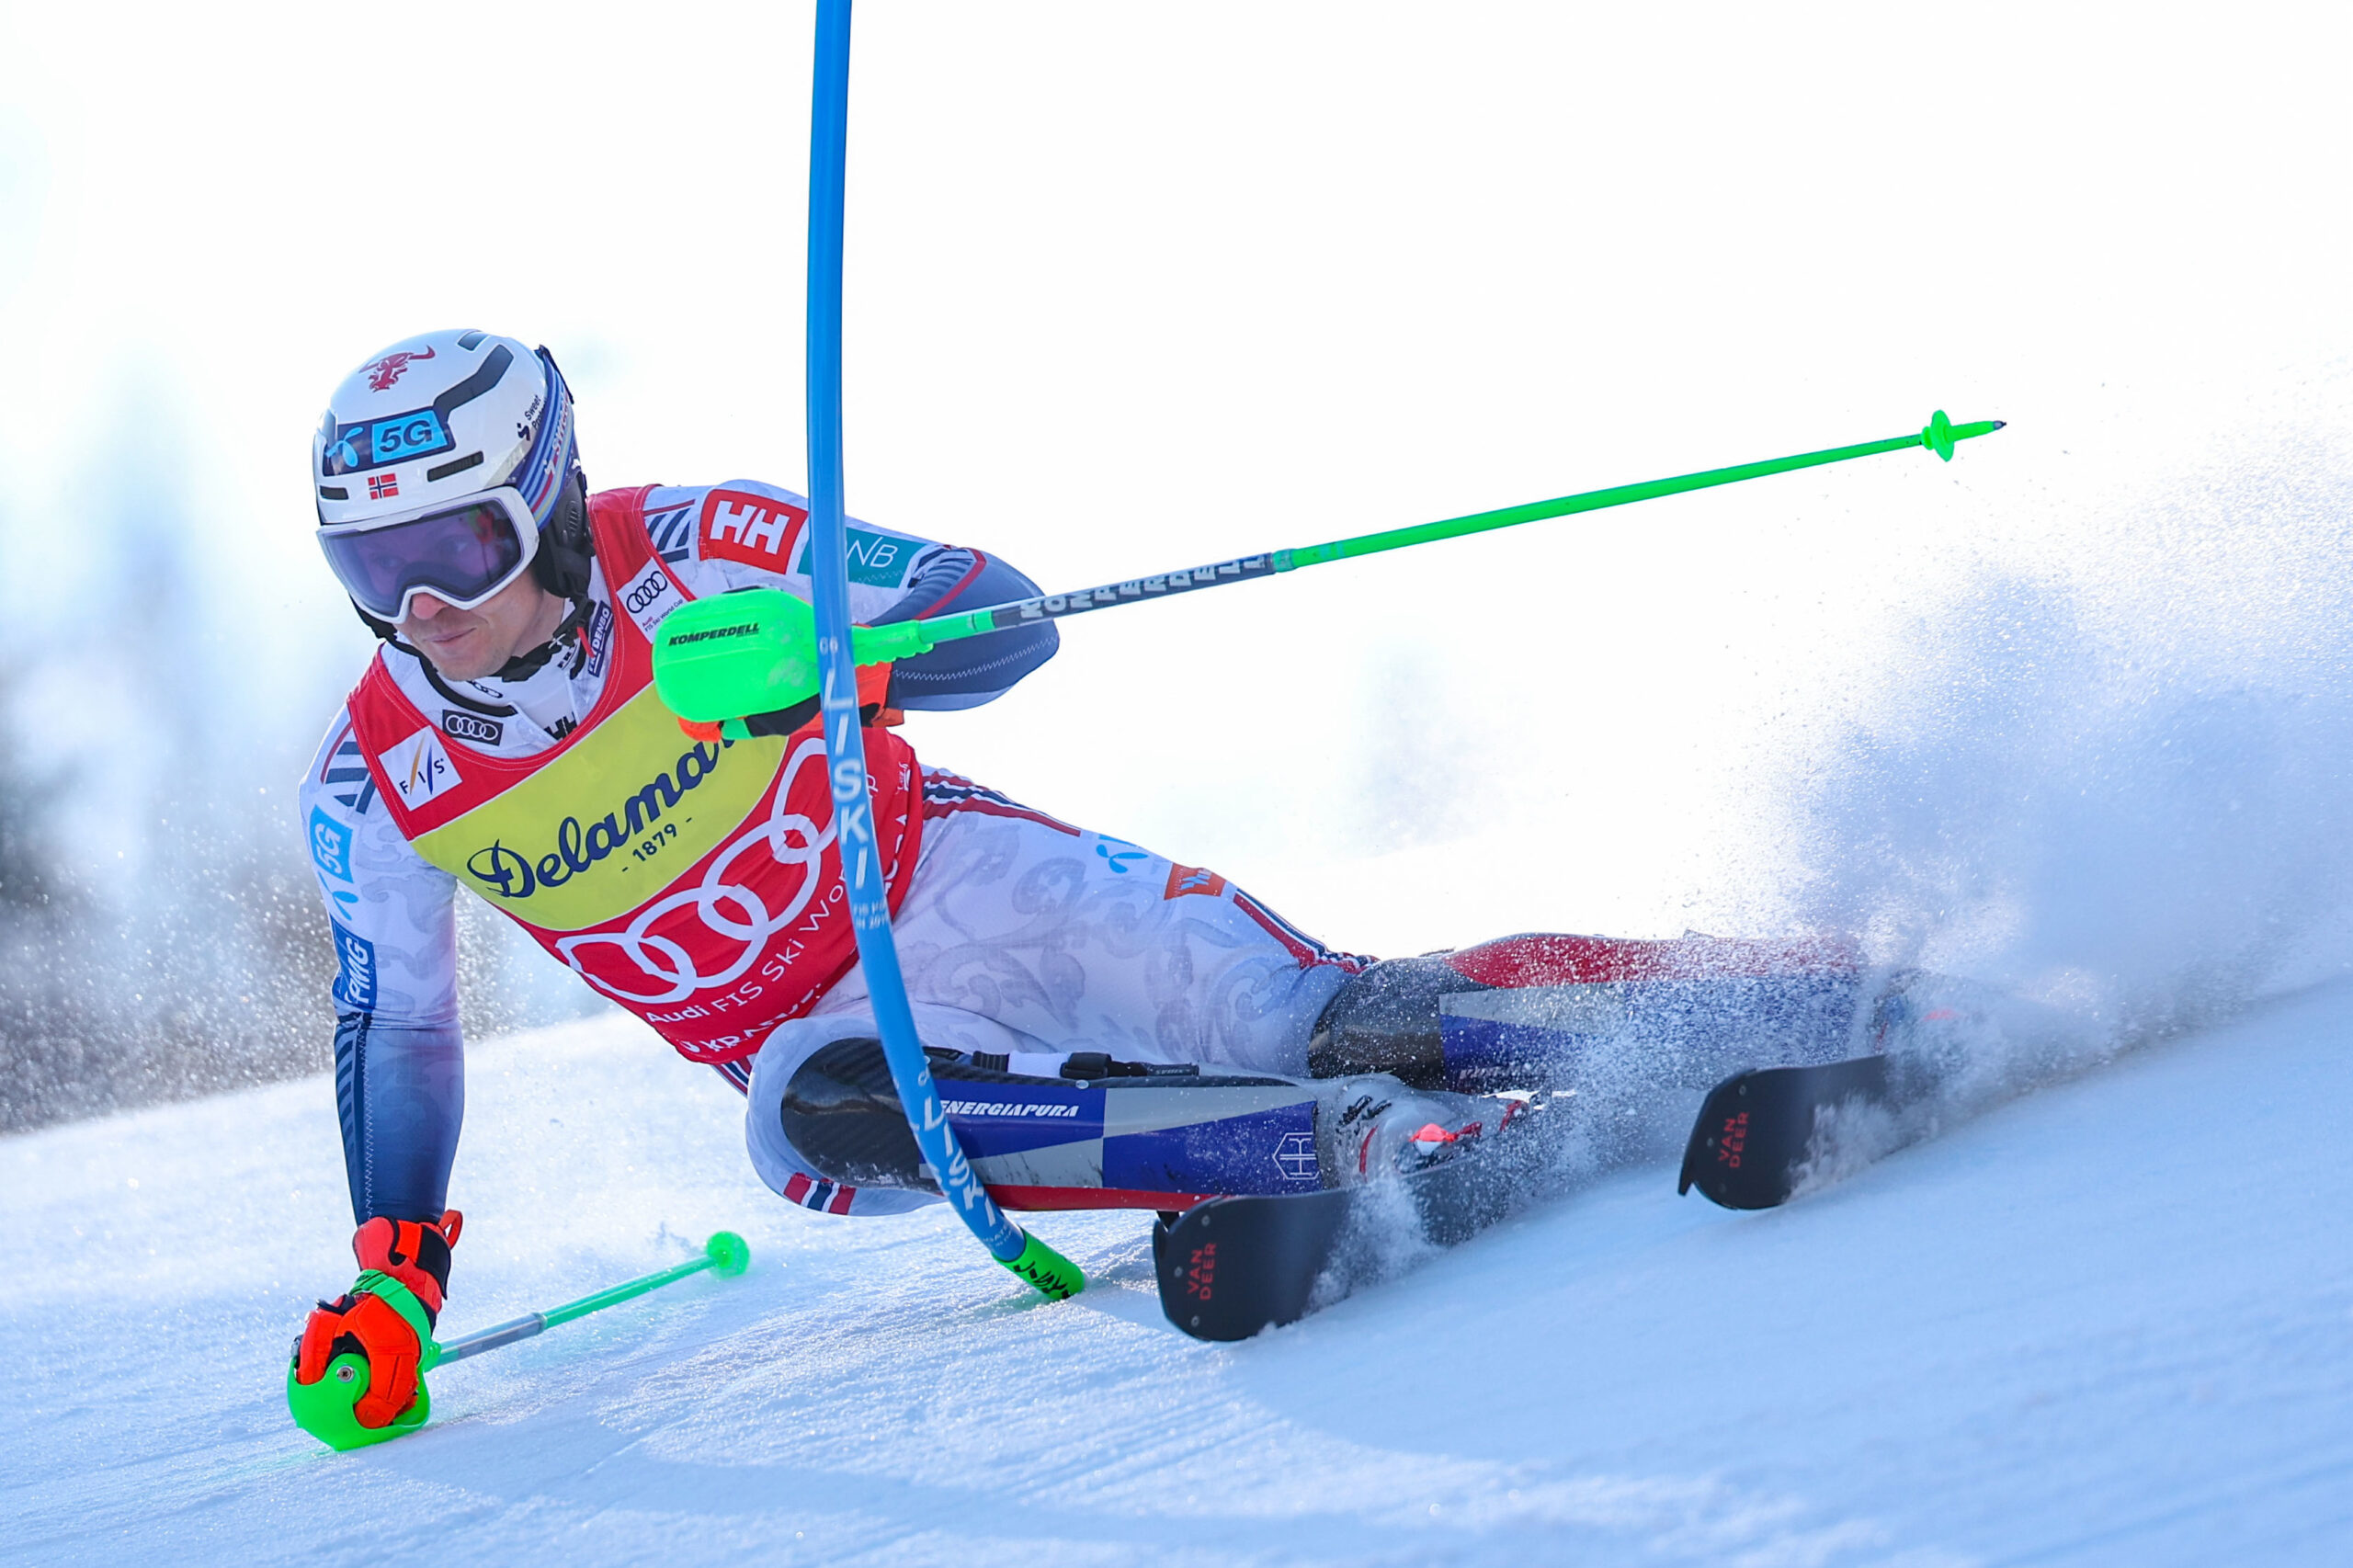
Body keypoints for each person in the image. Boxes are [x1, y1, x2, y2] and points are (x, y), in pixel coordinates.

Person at [290, 329, 1880, 1430]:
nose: (425, 610)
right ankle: (1343, 1147)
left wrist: (832, 661)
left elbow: (1001, 613)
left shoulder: (698, 543)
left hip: (967, 883)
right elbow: (402, 1025)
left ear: (550, 496)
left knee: (1312, 1010)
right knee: (810, 1116)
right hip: (825, 1039)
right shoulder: (376, 778)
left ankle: (1784, 992)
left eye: (459, 548)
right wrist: (396, 1279)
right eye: (374, 570)